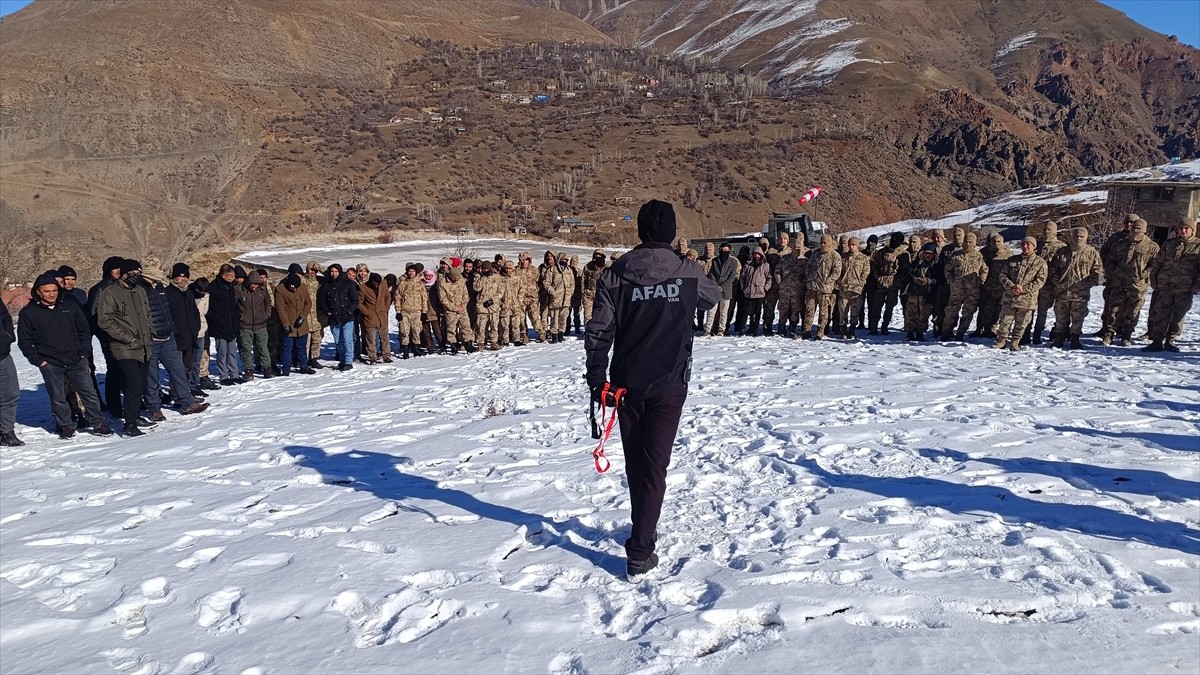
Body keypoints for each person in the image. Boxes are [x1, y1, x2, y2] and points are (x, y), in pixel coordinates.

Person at [585, 199, 719, 578]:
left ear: (641, 231)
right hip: (670, 383)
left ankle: (643, 526)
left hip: (626, 383)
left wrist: (596, 379)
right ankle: (641, 549)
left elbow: (599, 332)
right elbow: (712, 297)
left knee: (637, 462)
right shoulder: (687, 271)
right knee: (655, 465)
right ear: (672, 232)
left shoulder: (615, 275)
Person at [18, 272, 115, 439]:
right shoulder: (29, 313)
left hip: (76, 359)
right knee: (57, 397)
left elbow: (83, 330)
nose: (51, 294)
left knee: (88, 393)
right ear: (38, 292)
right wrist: (38, 360)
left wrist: (84, 353)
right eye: (47, 291)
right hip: (50, 362)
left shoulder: (69, 305)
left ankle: (98, 422)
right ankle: (65, 425)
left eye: (54, 290)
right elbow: (24, 341)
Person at [96, 259, 155, 436]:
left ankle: (134, 415)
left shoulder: (140, 291)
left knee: (141, 383)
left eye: (139, 273)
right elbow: (105, 321)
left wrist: (150, 331)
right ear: (124, 274)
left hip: (144, 345)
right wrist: (128, 338)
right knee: (133, 384)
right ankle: (129, 424)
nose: (136, 276)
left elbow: (147, 314)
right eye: (133, 273)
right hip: (124, 348)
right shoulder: (110, 293)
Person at [1143, 219, 1200, 352]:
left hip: (1185, 287)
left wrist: (1197, 284)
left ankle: (1170, 340)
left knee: (1178, 314)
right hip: (1165, 285)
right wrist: (1153, 278)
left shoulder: (1198, 246)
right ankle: (1157, 340)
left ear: (1192, 230)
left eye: (1186, 228)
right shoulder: (1169, 244)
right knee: (1161, 312)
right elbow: (1157, 263)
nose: (1183, 231)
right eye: (1181, 228)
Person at [1103, 219, 1158, 347]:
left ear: (1144, 230)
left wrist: (1143, 274)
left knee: (1133, 311)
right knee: (1113, 309)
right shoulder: (1120, 243)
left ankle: (1126, 335)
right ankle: (1109, 334)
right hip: (1119, 283)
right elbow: (1110, 260)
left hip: (1137, 285)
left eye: (1139, 228)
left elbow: (1155, 265)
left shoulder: (1152, 246)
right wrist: (1114, 273)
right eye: (1133, 227)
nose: (1135, 230)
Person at [1047, 228, 1102, 349]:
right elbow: (1053, 269)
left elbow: (1097, 272)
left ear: (1086, 237)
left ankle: (1075, 339)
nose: (1078, 238)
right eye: (1076, 236)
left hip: (1080, 294)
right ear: (1071, 236)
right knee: (1060, 318)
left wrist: (1086, 285)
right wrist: (1058, 283)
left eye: (1081, 236)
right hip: (1062, 292)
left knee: (1078, 319)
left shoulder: (1091, 253)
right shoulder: (1062, 252)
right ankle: (1059, 339)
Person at [992, 237, 1048, 352]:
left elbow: (1040, 281)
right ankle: (1001, 341)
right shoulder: (1012, 260)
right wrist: (1012, 287)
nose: (1025, 246)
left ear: (1034, 246)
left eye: (1028, 244)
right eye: (1023, 244)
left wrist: (1023, 289)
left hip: (1027, 300)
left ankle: (1015, 342)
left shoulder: (1040, 263)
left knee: (1021, 324)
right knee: (1004, 322)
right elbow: (1002, 275)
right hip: (1010, 298)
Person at [940, 232, 988, 341]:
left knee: (968, 312)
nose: (967, 244)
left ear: (974, 243)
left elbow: (984, 270)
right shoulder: (956, 255)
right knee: (951, 311)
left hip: (972, 291)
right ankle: (947, 332)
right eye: (966, 241)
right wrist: (951, 281)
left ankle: (960, 333)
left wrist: (980, 281)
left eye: (970, 242)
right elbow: (947, 269)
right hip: (956, 290)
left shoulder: (978, 256)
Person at [1029, 221, 1066, 344]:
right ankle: (1026, 332)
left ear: (1055, 231)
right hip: (1033, 284)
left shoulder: (1061, 247)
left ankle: (1039, 333)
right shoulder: (1036, 245)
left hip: (1050, 285)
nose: (1046, 231)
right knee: (1029, 309)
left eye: (1049, 229)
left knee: (1044, 311)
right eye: (1044, 229)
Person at [206, 264, 242, 386]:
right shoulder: (213, 287)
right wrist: (216, 319)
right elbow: (209, 308)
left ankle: (234, 373)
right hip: (219, 326)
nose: (233, 278)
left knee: (232, 351)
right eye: (231, 276)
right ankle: (224, 375)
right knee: (222, 352)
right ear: (223, 275)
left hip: (232, 324)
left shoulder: (231, 286)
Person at [319, 263, 359, 371]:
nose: (334, 273)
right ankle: (342, 360)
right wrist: (327, 311)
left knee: (347, 340)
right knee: (338, 341)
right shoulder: (326, 286)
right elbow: (322, 301)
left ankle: (348, 361)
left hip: (347, 317)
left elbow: (355, 300)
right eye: (332, 271)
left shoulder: (348, 284)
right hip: (334, 318)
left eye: (336, 271)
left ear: (340, 272)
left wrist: (348, 310)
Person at [275, 272, 315, 374]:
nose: (294, 289)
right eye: (292, 287)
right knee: (287, 347)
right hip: (288, 322)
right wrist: (285, 324)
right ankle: (286, 368)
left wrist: (302, 317)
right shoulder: (280, 289)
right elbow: (280, 308)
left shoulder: (303, 287)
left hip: (301, 324)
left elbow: (308, 303)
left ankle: (303, 366)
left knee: (302, 347)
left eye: (296, 287)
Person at [235, 270, 273, 381]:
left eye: (257, 284)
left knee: (263, 348)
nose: (255, 287)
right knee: (246, 349)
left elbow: (268, 302)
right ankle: (248, 369)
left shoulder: (262, 289)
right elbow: (233, 305)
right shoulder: (238, 289)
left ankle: (267, 368)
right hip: (245, 325)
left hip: (261, 324)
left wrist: (267, 315)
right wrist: (239, 317)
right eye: (253, 284)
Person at [803, 235, 841, 340]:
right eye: (821, 243)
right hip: (812, 287)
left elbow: (836, 272)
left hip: (825, 289)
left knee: (824, 312)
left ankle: (821, 331)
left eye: (825, 243)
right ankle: (807, 330)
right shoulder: (816, 253)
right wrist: (809, 277)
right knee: (809, 310)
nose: (822, 245)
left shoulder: (835, 255)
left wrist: (827, 281)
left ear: (829, 243)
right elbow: (809, 266)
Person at [868, 233, 906, 335]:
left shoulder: (903, 254)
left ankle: (885, 326)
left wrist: (897, 281)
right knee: (876, 306)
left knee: (889, 307)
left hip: (893, 284)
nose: (894, 241)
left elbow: (904, 270)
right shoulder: (882, 252)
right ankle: (873, 327)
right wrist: (878, 276)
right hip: (881, 282)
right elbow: (874, 263)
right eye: (893, 239)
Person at [903, 243, 939, 341]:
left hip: (926, 295)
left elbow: (939, 279)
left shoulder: (936, 266)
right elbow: (908, 273)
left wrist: (929, 281)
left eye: (930, 254)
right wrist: (914, 279)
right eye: (926, 253)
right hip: (913, 293)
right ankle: (909, 333)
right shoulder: (916, 263)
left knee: (923, 315)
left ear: (934, 255)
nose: (927, 255)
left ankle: (920, 333)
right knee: (910, 314)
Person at [395, 264, 430, 358]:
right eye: (409, 271)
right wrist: (398, 311)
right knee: (404, 331)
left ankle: (416, 349)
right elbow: (397, 297)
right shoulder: (403, 284)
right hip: (405, 311)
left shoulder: (420, 284)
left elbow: (424, 299)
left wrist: (424, 312)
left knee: (416, 331)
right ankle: (405, 351)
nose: (411, 273)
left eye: (413, 271)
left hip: (417, 311)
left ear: (416, 273)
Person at [438, 262, 475, 353]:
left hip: (462, 308)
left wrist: (462, 306)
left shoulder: (461, 281)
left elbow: (465, 295)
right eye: (454, 278)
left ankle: (468, 344)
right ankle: (453, 345)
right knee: (451, 329)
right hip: (450, 310)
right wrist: (454, 308)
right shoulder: (443, 283)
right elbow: (443, 299)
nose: (456, 280)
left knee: (466, 327)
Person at [703, 242, 738, 336]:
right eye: (722, 250)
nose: (724, 251)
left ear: (729, 250)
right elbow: (711, 274)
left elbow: (732, 276)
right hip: (714, 289)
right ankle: (707, 329)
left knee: (724, 312)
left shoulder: (733, 261)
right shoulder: (714, 261)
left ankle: (721, 329)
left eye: (725, 250)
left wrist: (723, 286)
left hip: (726, 290)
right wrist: (715, 286)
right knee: (711, 311)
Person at [358, 272, 393, 363]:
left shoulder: (383, 284)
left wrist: (386, 308)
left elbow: (388, 296)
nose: (376, 285)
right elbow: (359, 303)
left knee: (384, 337)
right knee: (371, 339)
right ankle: (372, 357)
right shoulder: (363, 288)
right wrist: (367, 312)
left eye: (378, 283)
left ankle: (386, 355)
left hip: (382, 315)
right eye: (375, 283)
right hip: (370, 317)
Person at [0, 303, 21, 446]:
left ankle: (6, 431)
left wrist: (8, 336)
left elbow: (4, 316)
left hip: (2, 354)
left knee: (10, 393)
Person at [738, 248, 772, 335]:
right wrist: (743, 288)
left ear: (761, 255)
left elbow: (769, 278)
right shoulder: (748, 265)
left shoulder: (765, 265)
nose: (756, 256)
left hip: (759, 293)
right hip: (748, 292)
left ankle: (755, 328)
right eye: (755, 254)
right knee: (746, 311)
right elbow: (742, 277)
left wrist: (765, 288)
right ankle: (742, 328)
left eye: (758, 254)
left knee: (757, 312)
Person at [304, 261, 326, 369]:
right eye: (311, 269)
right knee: (306, 341)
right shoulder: (302, 281)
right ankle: (304, 360)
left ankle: (314, 359)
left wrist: (319, 267)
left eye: (315, 270)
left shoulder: (320, 281)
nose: (313, 272)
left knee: (317, 339)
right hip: (306, 316)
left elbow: (329, 275)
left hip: (317, 316)